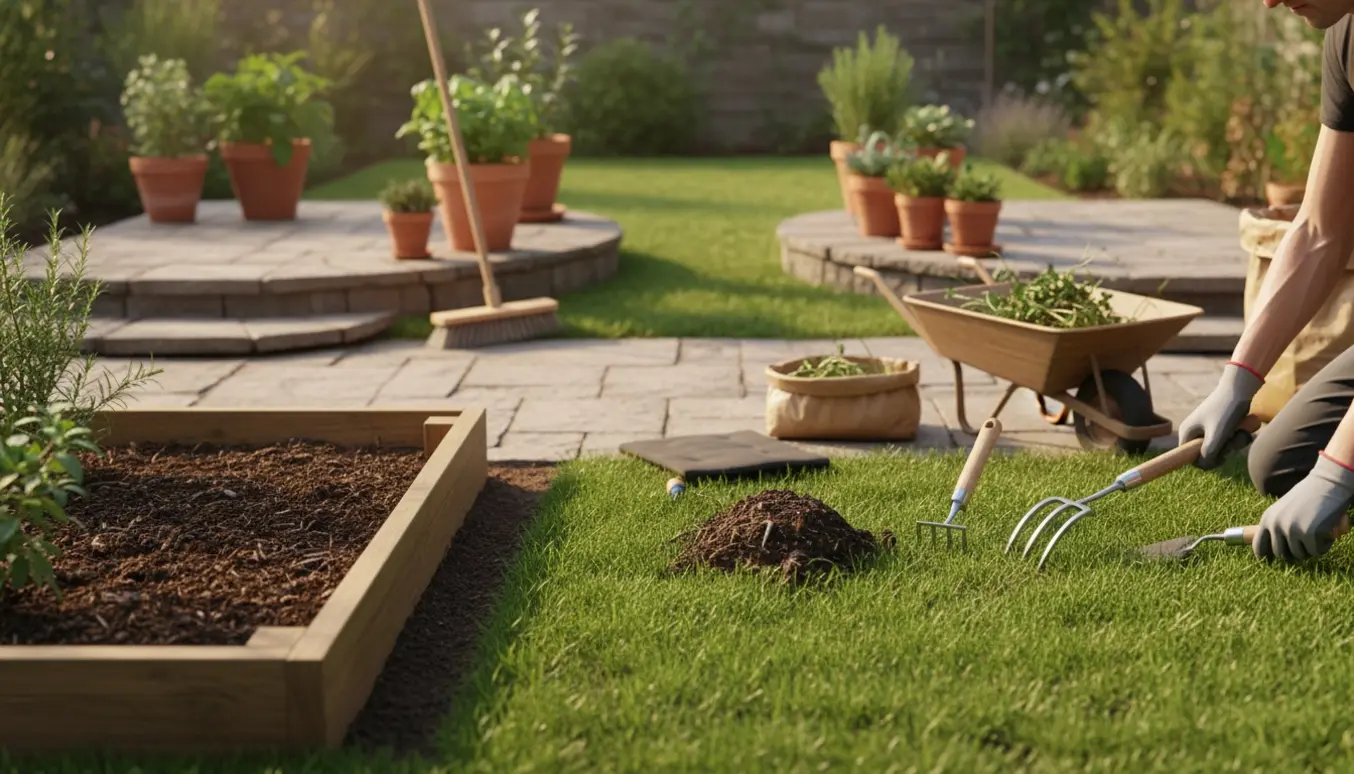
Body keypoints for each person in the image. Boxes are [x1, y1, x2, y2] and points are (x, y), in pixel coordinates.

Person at [1180, 0, 1354, 562]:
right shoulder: (1347, 37)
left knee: (1329, 469)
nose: (1269, 1)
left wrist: (1339, 474)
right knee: (1280, 464)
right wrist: (1238, 380)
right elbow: (1321, 230)